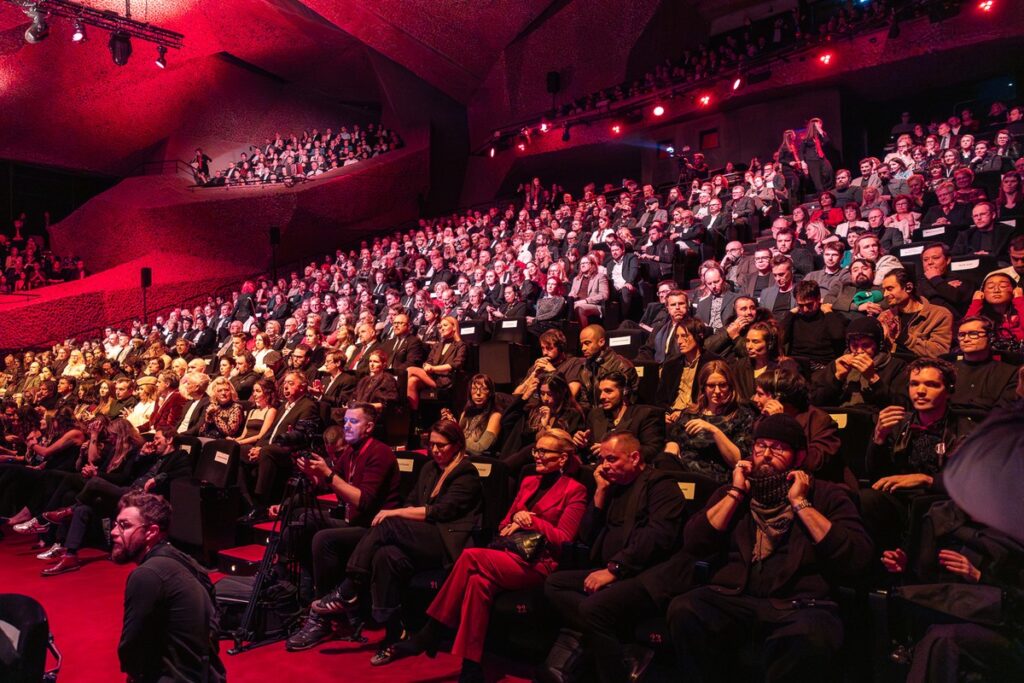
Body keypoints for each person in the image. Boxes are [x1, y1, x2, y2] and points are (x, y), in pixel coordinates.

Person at [667, 414, 873, 683]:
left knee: (813, 635)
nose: (766, 454)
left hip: (798, 604)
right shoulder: (734, 491)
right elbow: (694, 543)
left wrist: (800, 503)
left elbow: (857, 556)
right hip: (735, 595)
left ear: (799, 457)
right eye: (760, 446)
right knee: (685, 609)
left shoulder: (827, 495)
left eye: (778, 448)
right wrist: (736, 493)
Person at [385, 429, 588, 682]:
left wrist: (532, 522)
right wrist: (514, 521)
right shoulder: (529, 481)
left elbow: (564, 539)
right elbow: (503, 523)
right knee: (476, 583)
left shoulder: (575, 490)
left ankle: (432, 630)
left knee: (470, 556)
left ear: (563, 458)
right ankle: (471, 668)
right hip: (508, 552)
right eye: (536, 449)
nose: (537, 455)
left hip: (538, 563)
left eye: (544, 451)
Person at [327, 420, 481, 662]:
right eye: (431, 444)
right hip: (422, 535)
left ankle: (350, 585)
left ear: (457, 445)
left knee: (388, 522)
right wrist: (403, 512)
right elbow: (411, 501)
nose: (435, 450)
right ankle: (393, 631)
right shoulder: (430, 468)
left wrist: (397, 513)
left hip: (446, 541)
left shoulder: (466, 472)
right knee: (385, 554)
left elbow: (440, 512)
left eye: (441, 445)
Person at [544, 431, 686, 683]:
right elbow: (586, 536)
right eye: (602, 460)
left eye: (611, 459)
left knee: (593, 609)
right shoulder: (611, 486)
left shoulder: (661, 485)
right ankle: (625, 651)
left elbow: (658, 537)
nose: (604, 466)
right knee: (554, 584)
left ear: (634, 457)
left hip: (646, 575)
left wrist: (615, 569)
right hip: (610, 569)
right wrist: (600, 493)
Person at [285, 404, 401, 651]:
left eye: (353, 422)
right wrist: (313, 474)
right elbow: (328, 484)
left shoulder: (379, 453)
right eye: (345, 421)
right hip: (354, 522)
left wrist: (327, 475)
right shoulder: (350, 452)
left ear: (369, 427)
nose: (346, 426)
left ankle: (323, 618)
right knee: (302, 520)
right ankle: (307, 597)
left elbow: (363, 500)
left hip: (374, 528)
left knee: (324, 539)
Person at [39, 426, 192, 574]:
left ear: (169, 439)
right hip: (129, 490)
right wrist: (142, 456)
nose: (155, 442)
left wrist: (157, 479)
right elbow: (132, 473)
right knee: (83, 508)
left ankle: (67, 511)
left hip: (144, 497)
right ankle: (70, 555)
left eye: (158, 438)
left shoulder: (179, 455)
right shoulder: (153, 456)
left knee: (95, 482)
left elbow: (184, 472)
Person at [113, 492, 226, 683]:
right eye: (116, 524)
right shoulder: (184, 559)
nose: (114, 532)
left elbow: (131, 648)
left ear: (151, 532)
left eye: (125, 525)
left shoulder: (147, 574)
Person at [861, 358, 971, 550]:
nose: (920, 391)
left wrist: (926, 480)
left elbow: (969, 482)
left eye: (931, 385)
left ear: (949, 391)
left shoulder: (966, 430)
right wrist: (878, 439)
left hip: (941, 503)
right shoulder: (898, 422)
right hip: (902, 500)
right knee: (866, 498)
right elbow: (876, 476)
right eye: (914, 384)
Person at [659, 360, 755, 483]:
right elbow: (674, 438)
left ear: (730, 386)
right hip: (684, 476)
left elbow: (737, 460)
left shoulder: (741, 415)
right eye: (711, 386)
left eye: (723, 385)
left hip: (715, 480)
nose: (717, 391)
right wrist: (672, 445)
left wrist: (713, 430)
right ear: (703, 387)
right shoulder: (690, 413)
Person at [810, 316, 908, 410]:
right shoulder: (838, 364)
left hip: (876, 418)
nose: (860, 351)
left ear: (878, 345)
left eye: (866, 345)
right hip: (838, 417)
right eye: (854, 345)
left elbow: (903, 405)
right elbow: (815, 402)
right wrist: (837, 378)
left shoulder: (896, 366)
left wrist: (873, 379)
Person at [878, 269, 954, 357]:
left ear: (908, 287)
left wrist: (904, 338)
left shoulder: (939, 315)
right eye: (884, 290)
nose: (885, 294)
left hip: (922, 365)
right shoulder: (886, 316)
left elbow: (940, 351)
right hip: (891, 364)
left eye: (890, 289)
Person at [950, 317, 1019, 412]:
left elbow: (1005, 412)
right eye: (962, 335)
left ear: (990, 337)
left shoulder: (1009, 373)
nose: (966, 339)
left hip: (991, 420)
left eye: (973, 334)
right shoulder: (949, 370)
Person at [405, 316, 466, 411]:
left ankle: (396, 398)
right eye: (440, 327)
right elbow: (428, 361)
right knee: (412, 381)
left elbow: (457, 364)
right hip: (432, 377)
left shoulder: (461, 345)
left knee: (411, 369)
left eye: (445, 325)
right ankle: (413, 415)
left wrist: (433, 368)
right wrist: (426, 365)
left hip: (446, 379)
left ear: (454, 327)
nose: (442, 329)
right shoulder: (437, 345)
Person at [442, 373, 503, 457]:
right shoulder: (466, 413)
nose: (478, 393)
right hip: (461, 456)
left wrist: (455, 438)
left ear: (490, 393)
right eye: (474, 389)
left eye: (484, 389)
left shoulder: (495, 416)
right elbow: (460, 438)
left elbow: (480, 449)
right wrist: (452, 425)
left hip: (481, 461)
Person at [964, 273, 1024, 341]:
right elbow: (965, 332)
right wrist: (976, 302)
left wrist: (1019, 300)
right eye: (990, 287)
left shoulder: (1020, 311)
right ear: (982, 292)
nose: (996, 290)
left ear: (1014, 290)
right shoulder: (981, 317)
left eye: (1003, 286)